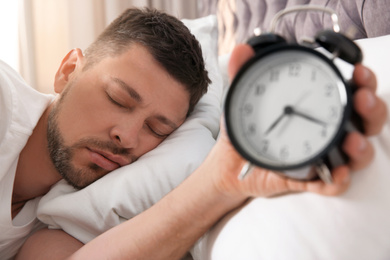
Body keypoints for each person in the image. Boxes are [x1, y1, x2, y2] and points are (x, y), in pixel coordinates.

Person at [0, 7, 385, 260]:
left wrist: (224, 179)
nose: (129, 137)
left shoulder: (62, 211)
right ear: (68, 71)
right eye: (118, 98)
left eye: (157, 128)